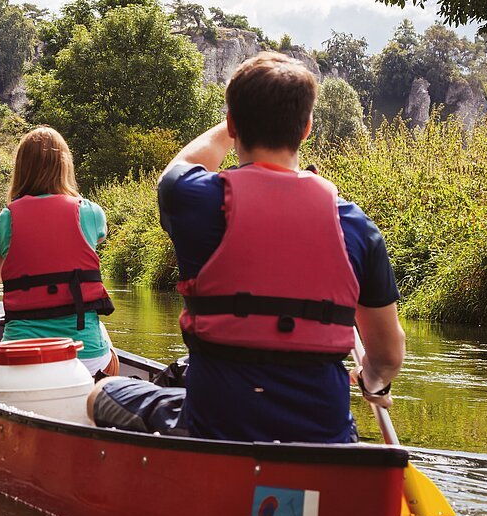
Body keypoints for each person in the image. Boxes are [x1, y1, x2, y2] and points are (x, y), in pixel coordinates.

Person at [88, 52, 405, 442]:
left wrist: (239, 118)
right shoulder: (357, 227)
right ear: (306, 129)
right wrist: (373, 383)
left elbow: (181, 166)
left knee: (99, 393)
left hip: (215, 424)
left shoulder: (194, 201)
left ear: (234, 125)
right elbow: (389, 356)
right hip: (324, 436)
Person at [0, 126, 118, 375]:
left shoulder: (6, 220)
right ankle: (99, 402)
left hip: (21, 355)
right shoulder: (92, 213)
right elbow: (99, 235)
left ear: (21, 169)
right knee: (107, 348)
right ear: (65, 167)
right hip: (86, 360)